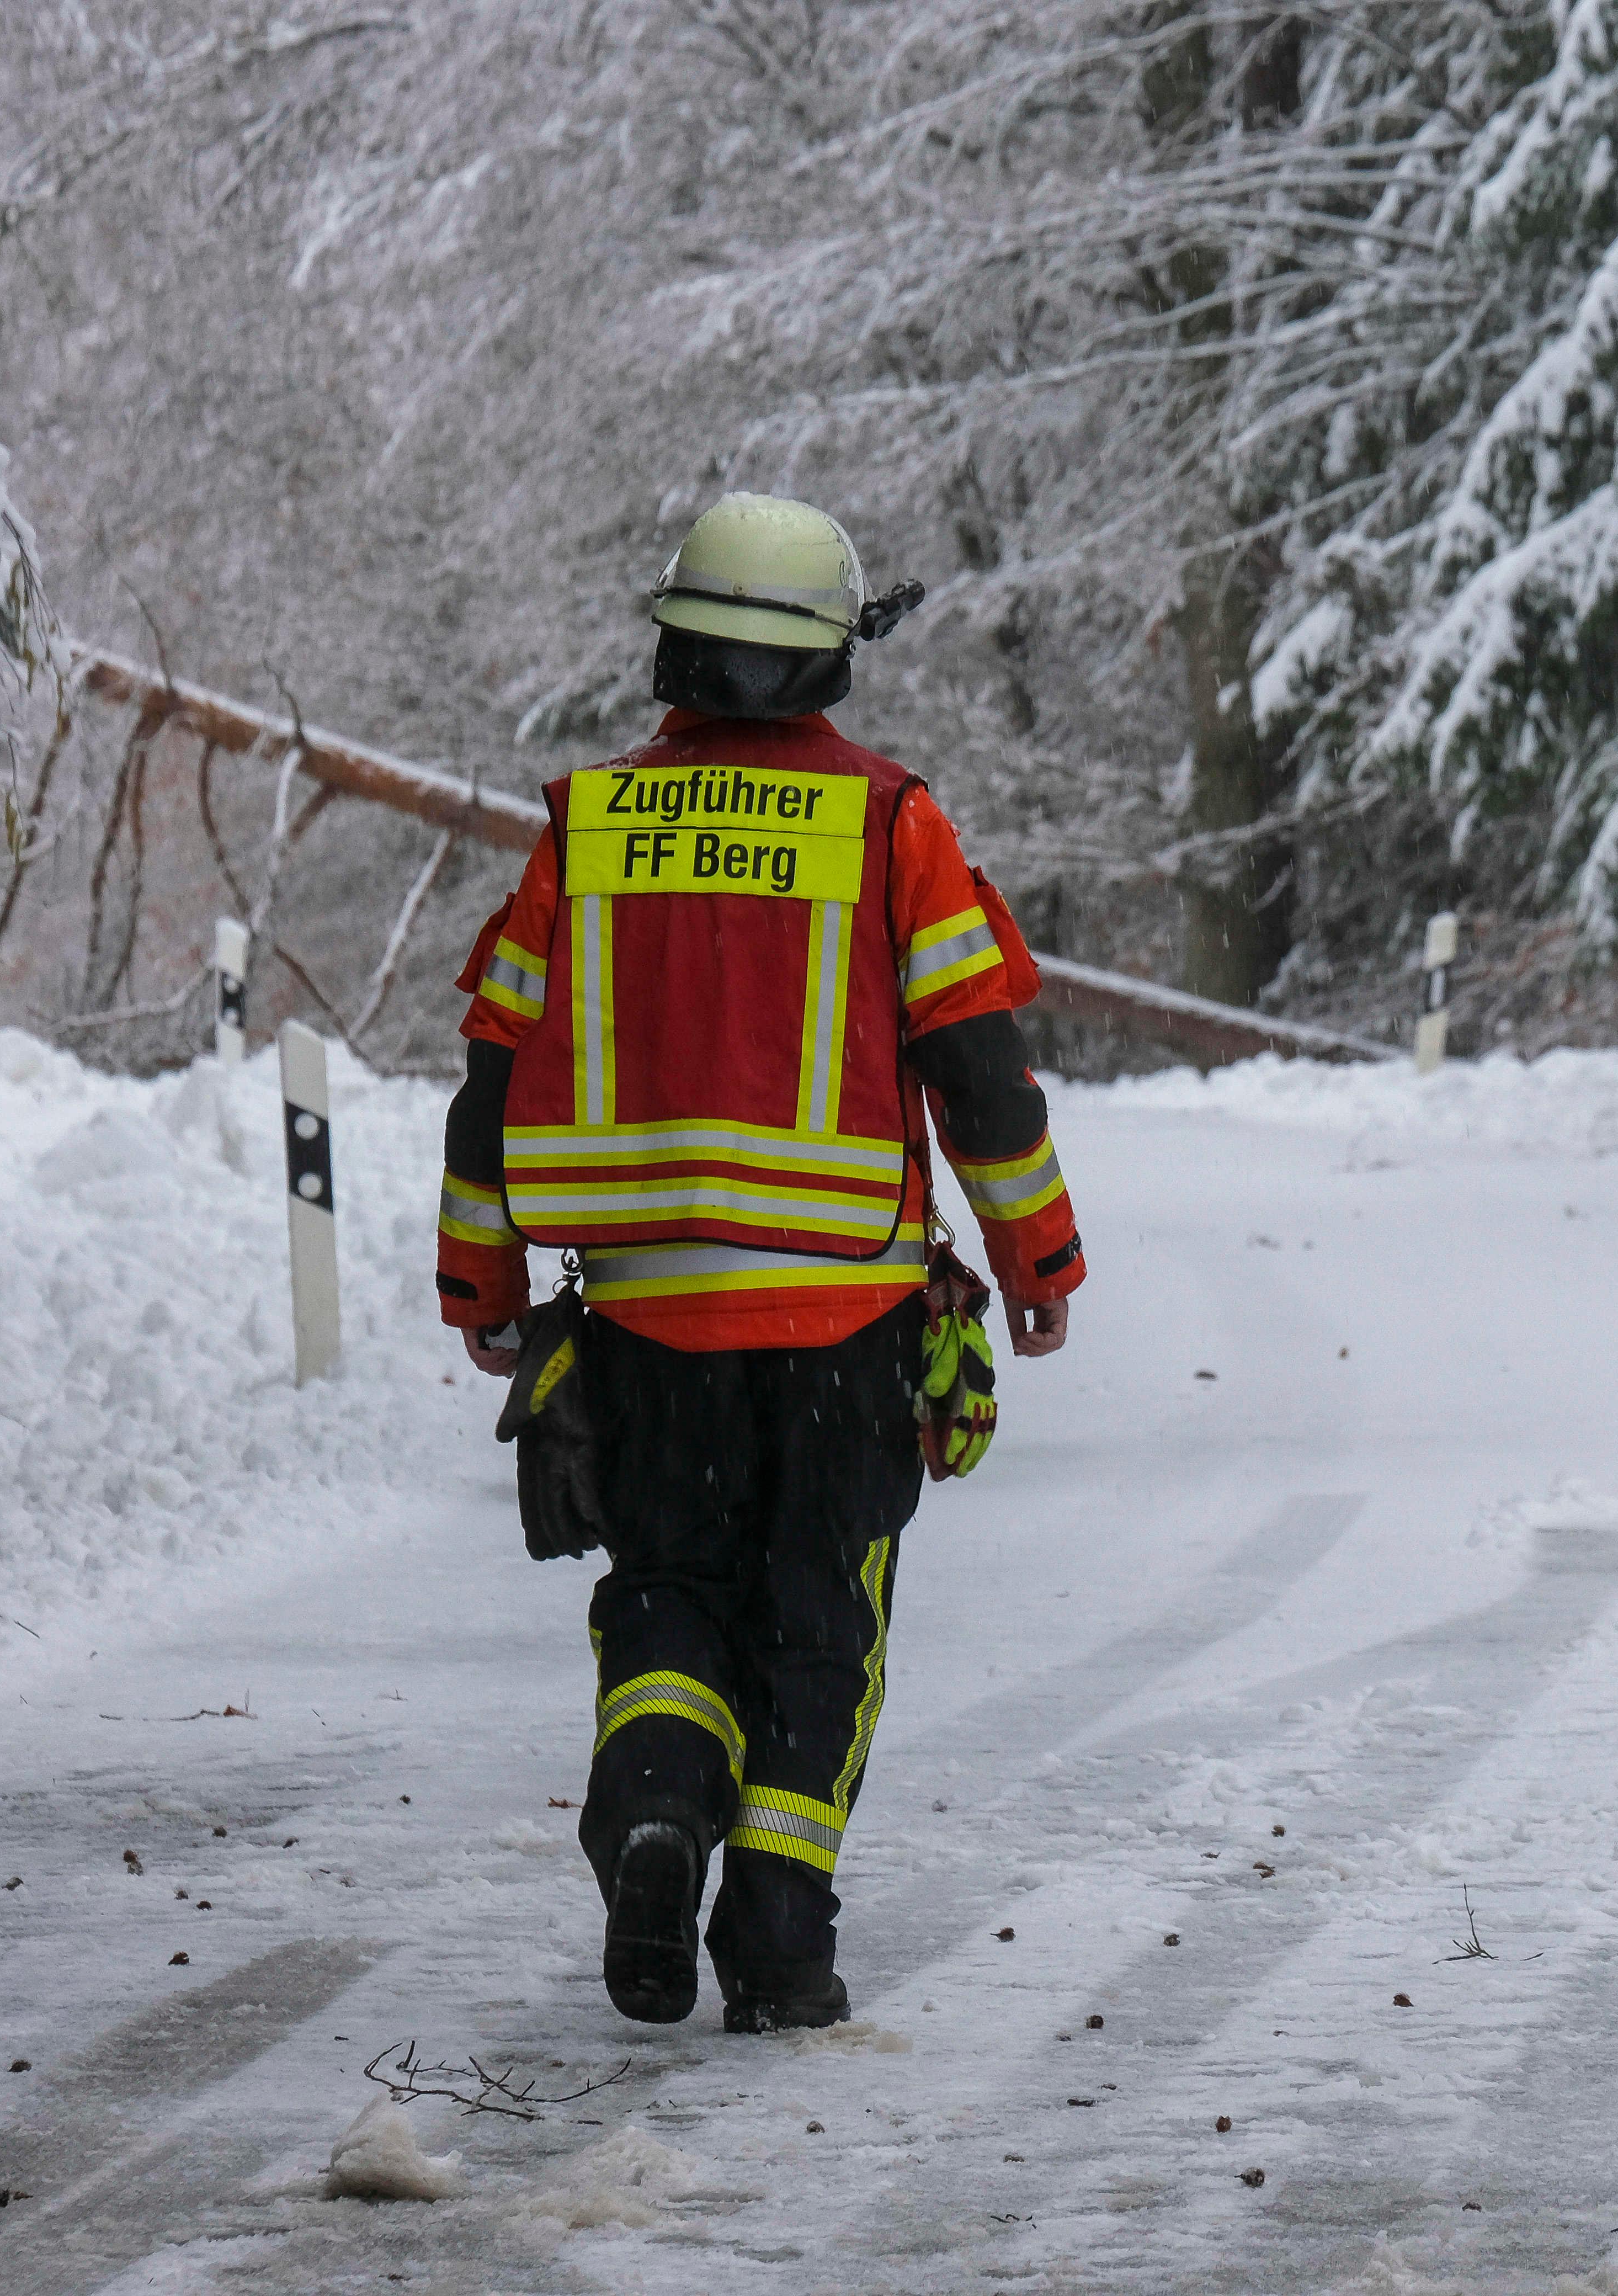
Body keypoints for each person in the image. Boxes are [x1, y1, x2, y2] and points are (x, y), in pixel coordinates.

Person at [430, 492, 1085, 2032]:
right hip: (844, 1325)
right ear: (827, 661)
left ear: (675, 647)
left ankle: (656, 1814)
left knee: (667, 1591)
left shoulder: (588, 827)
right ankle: (780, 1939)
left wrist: (484, 1285)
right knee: (820, 1612)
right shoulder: (886, 825)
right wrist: (1038, 1254)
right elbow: (980, 1073)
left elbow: (492, 1078)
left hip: (651, 1320)